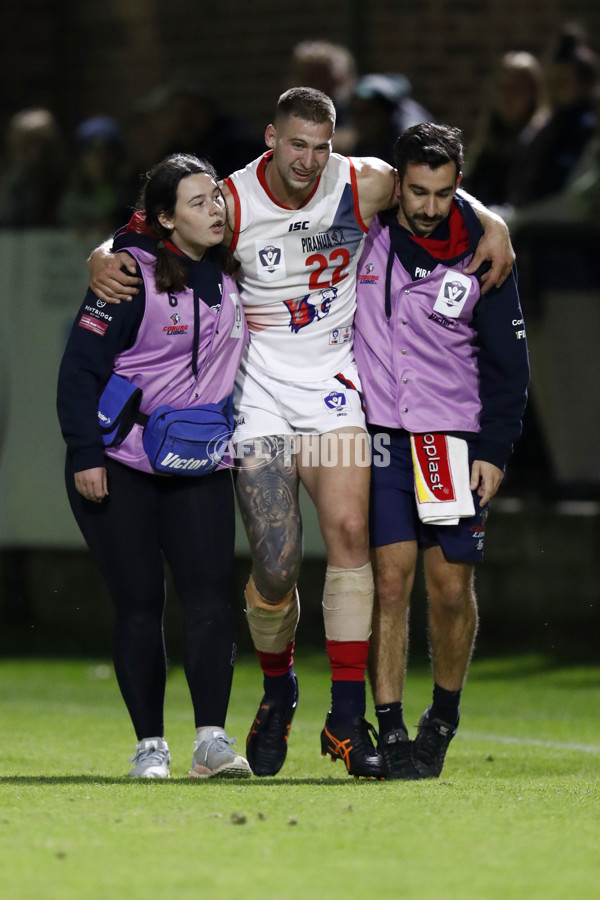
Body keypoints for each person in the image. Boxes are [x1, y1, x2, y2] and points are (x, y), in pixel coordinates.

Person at [87, 88, 515, 780]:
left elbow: (432, 192)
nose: (309, 161)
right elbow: (151, 225)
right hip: (255, 391)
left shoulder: (357, 181)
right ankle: (279, 689)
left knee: (349, 538)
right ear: (270, 138)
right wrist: (101, 253)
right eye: (296, 145)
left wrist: (493, 222)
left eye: (321, 146)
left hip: (333, 386)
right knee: (278, 565)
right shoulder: (230, 199)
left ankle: (345, 721)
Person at [57, 153, 251, 779]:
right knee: (140, 603)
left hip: (200, 463)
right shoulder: (126, 276)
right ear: (164, 218)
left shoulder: (234, 271)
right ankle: (150, 747)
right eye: (197, 203)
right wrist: (86, 454)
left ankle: (212, 743)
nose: (214, 209)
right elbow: (78, 374)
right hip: (121, 463)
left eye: (216, 198)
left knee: (209, 601)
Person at [353, 123, 530, 779]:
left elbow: (509, 366)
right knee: (390, 581)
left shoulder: (484, 255)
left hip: (449, 439)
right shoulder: (364, 229)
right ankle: (393, 729)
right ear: (397, 183)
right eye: (417, 191)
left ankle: (442, 722)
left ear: (459, 184)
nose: (428, 206)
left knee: (450, 588)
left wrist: (496, 449)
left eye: (443, 191)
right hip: (378, 436)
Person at [464, 51, 549, 209]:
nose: (508, 96)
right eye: (503, 87)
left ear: (533, 93)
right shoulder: (490, 138)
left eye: (517, 88)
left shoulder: (541, 138)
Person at [349, 73, 433, 164]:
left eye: (366, 113)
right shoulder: (368, 141)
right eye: (355, 112)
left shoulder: (411, 142)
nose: (359, 121)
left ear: (385, 113)